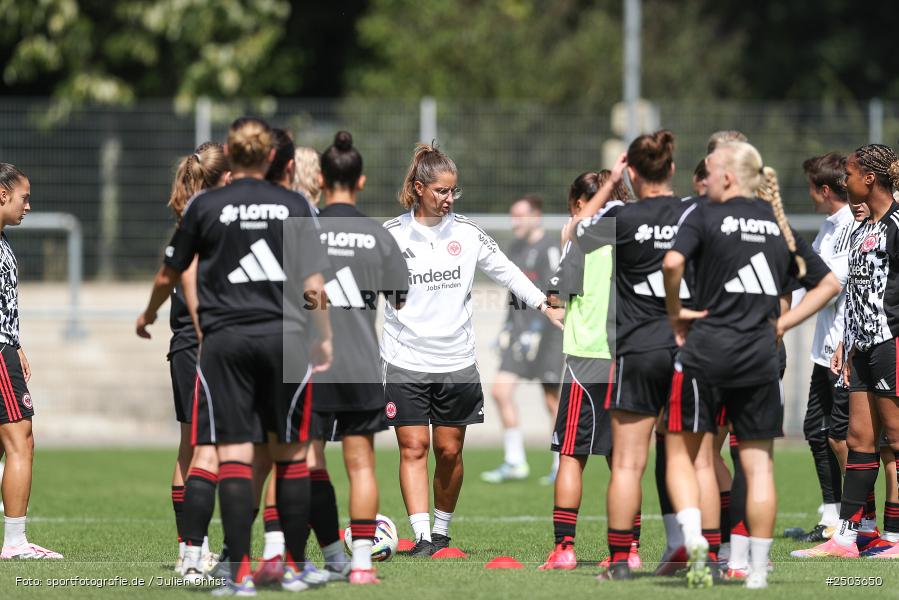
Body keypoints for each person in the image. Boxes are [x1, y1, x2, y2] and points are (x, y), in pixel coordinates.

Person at [157, 116, 333, 595]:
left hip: (226, 342)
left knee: (227, 454)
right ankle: (292, 566)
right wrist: (324, 333)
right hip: (283, 339)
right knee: (292, 455)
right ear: (274, 156)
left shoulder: (207, 205)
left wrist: (154, 313)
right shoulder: (295, 203)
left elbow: (176, 271)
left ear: (233, 154)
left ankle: (230, 569)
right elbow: (315, 285)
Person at [662, 141, 839, 589]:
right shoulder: (778, 224)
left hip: (706, 352)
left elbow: (671, 262)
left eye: (713, 168)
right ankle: (756, 571)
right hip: (760, 354)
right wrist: (783, 323)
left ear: (726, 177)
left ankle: (699, 545)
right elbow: (829, 284)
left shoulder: (703, 214)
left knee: (690, 456)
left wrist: (674, 313)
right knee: (757, 465)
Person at [381, 143, 564, 557]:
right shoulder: (391, 235)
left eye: (453, 192)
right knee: (414, 447)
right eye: (441, 191)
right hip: (405, 360)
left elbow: (507, 271)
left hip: (456, 362)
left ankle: (442, 531)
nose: (448, 199)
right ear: (419, 187)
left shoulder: (466, 232)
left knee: (449, 450)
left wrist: (543, 304)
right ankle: (423, 535)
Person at [572, 131, 701, 581]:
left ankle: (620, 561)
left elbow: (575, 230)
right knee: (688, 457)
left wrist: (609, 184)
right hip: (687, 347)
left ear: (633, 170)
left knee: (627, 463)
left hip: (638, 349)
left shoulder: (621, 216)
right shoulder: (692, 210)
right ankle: (689, 544)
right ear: (670, 168)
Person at [311, 131, 410, 583]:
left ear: (321, 178)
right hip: (361, 364)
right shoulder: (378, 234)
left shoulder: (304, 228)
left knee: (305, 462)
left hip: (309, 364)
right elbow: (400, 299)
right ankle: (363, 566)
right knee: (362, 464)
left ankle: (315, 555)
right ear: (361, 181)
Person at [793, 144, 899, 560]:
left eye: (850, 175)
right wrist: (845, 341)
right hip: (859, 346)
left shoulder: (896, 224)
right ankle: (849, 537)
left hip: (891, 343)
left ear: (869, 179)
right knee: (858, 438)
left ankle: (895, 538)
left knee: (894, 437)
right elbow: (857, 289)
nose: (845, 181)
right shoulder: (860, 228)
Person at [136, 142, 230, 576]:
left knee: (191, 447)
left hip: (190, 345)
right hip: (203, 344)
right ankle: (195, 550)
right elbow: (181, 274)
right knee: (207, 449)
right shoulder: (210, 219)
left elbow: (166, 274)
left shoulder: (195, 217)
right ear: (223, 178)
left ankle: (192, 549)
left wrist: (150, 313)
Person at [537, 168, 630, 571]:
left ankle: (565, 549)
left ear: (579, 203)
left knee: (571, 454)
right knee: (624, 460)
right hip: (628, 356)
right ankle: (630, 551)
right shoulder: (634, 235)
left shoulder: (582, 240)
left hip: (586, 357)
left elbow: (557, 298)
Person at [787, 153, 854, 543]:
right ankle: (832, 516)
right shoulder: (828, 228)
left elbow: (828, 289)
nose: (810, 196)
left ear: (825, 190)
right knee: (816, 429)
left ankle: (857, 520)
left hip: (843, 349)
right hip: (822, 350)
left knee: (847, 437)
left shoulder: (849, 228)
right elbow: (805, 280)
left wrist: (782, 319)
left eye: (812, 189)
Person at [0, 163, 62, 560]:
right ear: (2, 195)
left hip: (6, 346)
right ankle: (16, 543)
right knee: (22, 440)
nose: (29, 205)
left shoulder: (3, 240)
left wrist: (16, 341)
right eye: (23, 197)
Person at [481, 195, 563, 485]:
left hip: (548, 336)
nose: (515, 221)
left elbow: (557, 293)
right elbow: (513, 294)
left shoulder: (550, 248)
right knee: (500, 391)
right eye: (512, 215)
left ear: (536, 216)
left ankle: (558, 465)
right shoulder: (515, 248)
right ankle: (515, 461)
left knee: (552, 400)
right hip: (519, 335)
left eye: (521, 215)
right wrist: (507, 328)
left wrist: (539, 330)